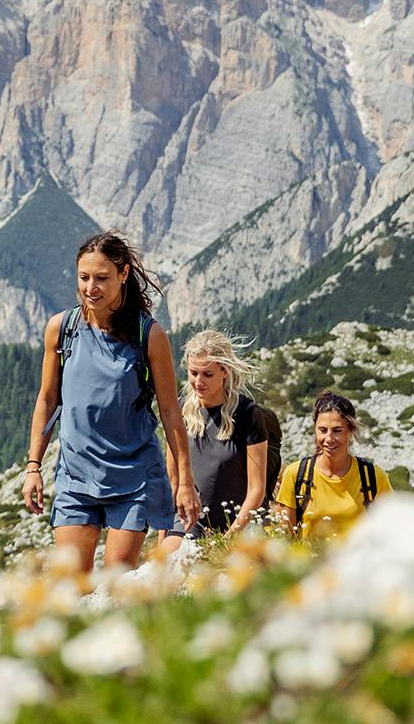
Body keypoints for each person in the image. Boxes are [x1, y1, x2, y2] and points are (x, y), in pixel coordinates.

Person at [22, 231, 198, 573]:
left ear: (124, 274)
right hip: (76, 474)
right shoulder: (62, 329)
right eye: (84, 277)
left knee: (118, 580)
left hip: (132, 477)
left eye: (102, 278)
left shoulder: (149, 336)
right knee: (71, 583)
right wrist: (33, 467)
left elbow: (171, 413)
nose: (91, 288)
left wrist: (186, 483)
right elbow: (46, 399)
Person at [154, 329, 277, 565]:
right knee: (165, 566)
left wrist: (227, 541)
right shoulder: (180, 411)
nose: (198, 382)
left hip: (243, 521)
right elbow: (173, 480)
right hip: (194, 520)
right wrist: (163, 536)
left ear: (224, 371)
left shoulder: (248, 415)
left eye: (207, 374)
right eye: (193, 373)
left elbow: (257, 490)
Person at [282, 391, 392, 543]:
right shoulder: (296, 474)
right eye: (322, 430)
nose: (328, 438)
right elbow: (286, 539)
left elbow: (390, 532)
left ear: (351, 431)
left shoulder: (373, 476)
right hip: (312, 565)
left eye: (337, 431)